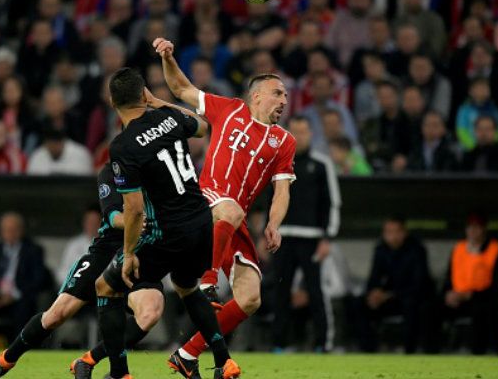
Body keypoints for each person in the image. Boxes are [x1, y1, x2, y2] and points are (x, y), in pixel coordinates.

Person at [78, 69, 239, 379]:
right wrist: (160, 102)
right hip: (202, 221)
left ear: (112, 101)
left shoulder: (123, 146)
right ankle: (224, 362)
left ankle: (118, 373)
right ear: (144, 95)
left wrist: (128, 253)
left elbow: (135, 210)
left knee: (105, 287)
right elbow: (204, 128)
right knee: (187, 287)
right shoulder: (169, 117)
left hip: (169, 230)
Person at [153, 37, 296, 378]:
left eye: (286, 96)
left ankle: (187, 354)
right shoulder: (228, 108)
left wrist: (274, 224)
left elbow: (281, 192)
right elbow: (181, 88)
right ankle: (206, 281)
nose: (284, 100)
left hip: (234, 218)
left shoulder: (284, 141)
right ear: (256, 94)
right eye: (278, 93)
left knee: (250, 298)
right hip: (206, 199)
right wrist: (168, 56)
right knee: (230, 211)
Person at [0, 166, 150, 379]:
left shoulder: (156, 166)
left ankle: (93, 362)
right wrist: (135, 221)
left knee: (149, 314)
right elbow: (113, 216)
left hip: (138, 255)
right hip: (104, 253)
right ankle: (4, 361)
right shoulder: (110, 170)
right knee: (56, 315)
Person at [271, 116, 341, 352]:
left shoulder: (321, 165)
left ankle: (323, 343)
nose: (299, 136)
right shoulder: (277, 162)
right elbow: (264, 198)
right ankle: (279, 344)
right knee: (280, 291)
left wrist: (327, 237)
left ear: (311, 134)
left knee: (316, 290)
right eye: (295, 131)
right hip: (282, 237)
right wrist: (266, 231)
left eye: (303, 131)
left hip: (312, 238)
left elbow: (332, 202)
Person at [353, 216, 432, 353]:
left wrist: (389, 295)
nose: (392, 236)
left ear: (404, 232)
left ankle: (410, 351)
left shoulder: (417, 250)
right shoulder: (381, 249)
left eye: (396, 231)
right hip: (388, 299)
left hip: (411, 298)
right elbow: (374, 278)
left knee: (412, 304)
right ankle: (367, 350)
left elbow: (419, 284)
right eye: (388, 232)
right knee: (359, 303)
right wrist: (374, 293)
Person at [437, 214, 498, 354]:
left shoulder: (496, 250)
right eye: (470, 227)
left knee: (482, 310)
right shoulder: (458, 248)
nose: (473, 231)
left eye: (477, 227)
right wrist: (448, 293)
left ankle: (478, 354)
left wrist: (470, 295)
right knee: (429, 308)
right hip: (456, 299)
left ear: (484, 229)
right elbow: (449, 277)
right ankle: (430, 353)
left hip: (480, 298)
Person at [0, 212, 47, 342]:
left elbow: (38, 280)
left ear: (21, 230)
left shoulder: (33, 250)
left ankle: (17, 348)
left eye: (13, 230)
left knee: (23, 308)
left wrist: (14, 295)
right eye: (5, 230)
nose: (9, 233)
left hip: (20, 297)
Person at [455, 78, 498, 151]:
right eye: (478, 88)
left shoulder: (494, 109)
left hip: (491, 149)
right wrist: (473, 146)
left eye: (484, 88)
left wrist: (493, 144)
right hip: (469, 149)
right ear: (470, 91)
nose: (482, 90)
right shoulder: (464, 109)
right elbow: (461, 130)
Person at [26, 127, 93, 176]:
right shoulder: (37, 156)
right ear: (46, 143)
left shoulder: (80, 154)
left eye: (56, 142)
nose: (54, 146)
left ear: (63, 141)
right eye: (51, 142)